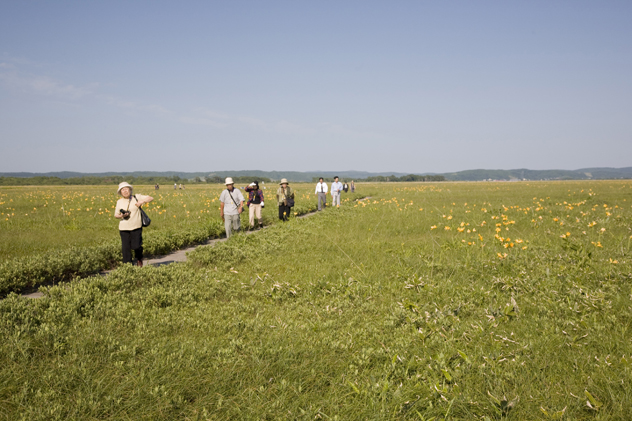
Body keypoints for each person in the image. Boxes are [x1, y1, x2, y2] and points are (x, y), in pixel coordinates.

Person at [114, 182, 153, 267]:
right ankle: (128, 266)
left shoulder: (136, 197)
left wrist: (142, 202)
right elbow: (116, 215)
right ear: (120, 192)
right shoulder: (119, 201)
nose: (125, 191)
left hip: (136, 226)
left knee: (136, 246)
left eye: (126, 189)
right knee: (125, 249)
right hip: (124, 228)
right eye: (122, 190)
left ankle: (139, 258)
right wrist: (122, 216)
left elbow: (151, 198)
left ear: (130, 190)